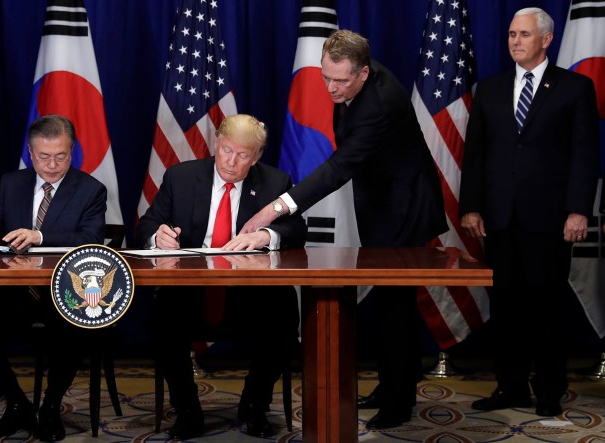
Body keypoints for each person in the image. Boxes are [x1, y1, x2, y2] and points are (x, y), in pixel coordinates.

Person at [241, 30, 447, 430]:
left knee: (396, 305)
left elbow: (339, 167)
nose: (331, 88)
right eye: (325, 77)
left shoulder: (379, 104)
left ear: (365, 72)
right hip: (379, 199)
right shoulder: (354, 78)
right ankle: (391, 384)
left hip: (404, 208)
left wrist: (278, 206)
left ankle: (399, 400)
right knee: (389, 304)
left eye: (341, 81)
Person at [460, 7, 599, 417]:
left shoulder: (575, 88)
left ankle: (550, 390)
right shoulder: (490, 89)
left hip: (551, 219)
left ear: (546, 40)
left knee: (547, 308)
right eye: (511, 34)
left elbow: (585, 155)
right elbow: (476, 153)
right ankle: (511, 387)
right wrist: (471, 207)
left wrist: (578, 210)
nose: (515, 41)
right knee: (506, 308)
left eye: (523, 35)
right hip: (499, 220)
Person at [136, 114, 306, 439]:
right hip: (190, 290)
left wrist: (266, 235)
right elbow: (148, 222)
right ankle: (187, 409)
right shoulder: (180, 177)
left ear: (256, 156)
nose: (231, 161)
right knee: (160, 322)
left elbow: (296, 229)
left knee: (283, 316)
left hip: (249, 292)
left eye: (243, 155)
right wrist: (158, 235)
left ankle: (255, 403)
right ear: (216, 143)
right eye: (226, 150)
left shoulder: (274, 182)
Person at [0, 115, 107, 442]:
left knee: (70, 332)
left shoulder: (90, 189)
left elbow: (91, 240)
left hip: (65, 290)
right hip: (18, 290)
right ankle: (18, 405)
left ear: (72, 151)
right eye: (44, 157)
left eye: (61, 156)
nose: (53, 164)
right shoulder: (11, 183)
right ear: (31, 154)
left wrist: (39, 235)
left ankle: (50, 407)